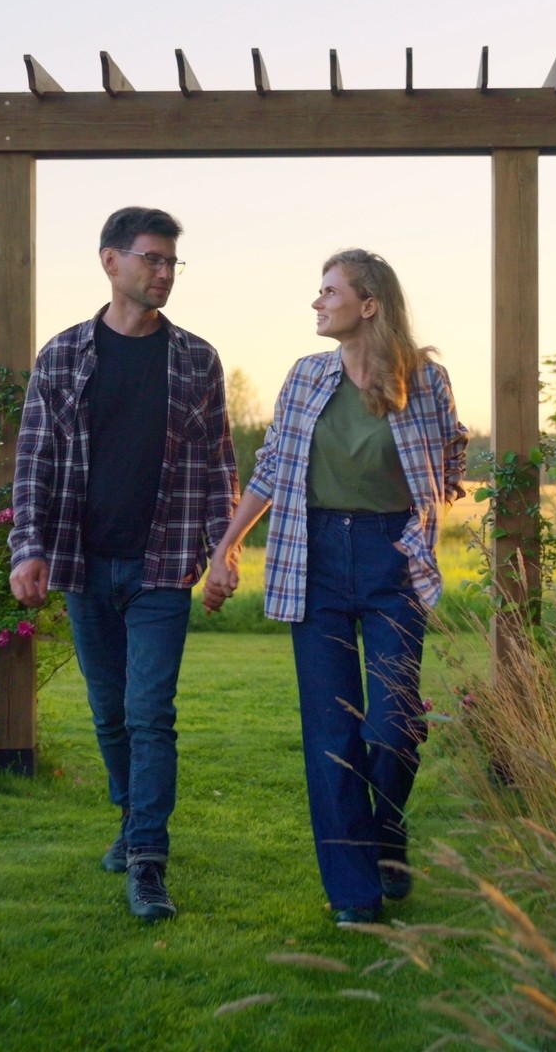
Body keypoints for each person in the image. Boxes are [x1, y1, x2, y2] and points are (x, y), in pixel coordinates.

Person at [204, 248, 468, 925]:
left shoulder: (425, 381)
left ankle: (387, 830)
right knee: (333, 733)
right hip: (313, 557)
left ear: (369, 305)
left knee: (392, 726)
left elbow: (451, 450)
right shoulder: (305, 376)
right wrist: (227, 546)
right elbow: (271, 468)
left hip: (391, 561)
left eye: (330, 291)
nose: (317, 302)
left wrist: (432, 502)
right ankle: (355, 895)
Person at [9, 207, 237, 923]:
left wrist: (223, 551)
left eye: (171, 262)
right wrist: (28, 547)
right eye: (151, 259)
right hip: (83, 563)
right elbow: (34, 461)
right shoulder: (63, 356)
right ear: (111, 262)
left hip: (162, 566)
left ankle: (147, 861)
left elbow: (218, 467)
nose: (164, 273)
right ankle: (131, 818)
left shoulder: (196, 360)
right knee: (109, 713)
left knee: (149, 715)